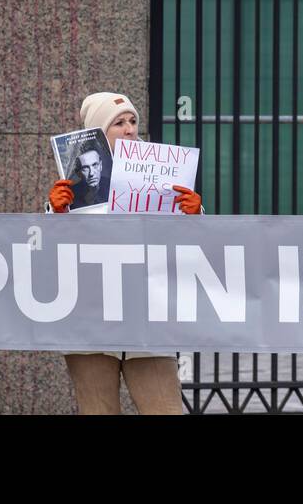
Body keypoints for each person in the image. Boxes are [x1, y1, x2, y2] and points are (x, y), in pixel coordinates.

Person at [46, 92, 201, 414]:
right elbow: (46, 251)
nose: (130, 129)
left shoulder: (162, 179)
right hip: (91, 325)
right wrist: (55, 213)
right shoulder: (73, 188)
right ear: (97, 134)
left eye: (133, 121)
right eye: (119, 123)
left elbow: (191, 248)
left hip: (149, 323)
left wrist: (194, 216)